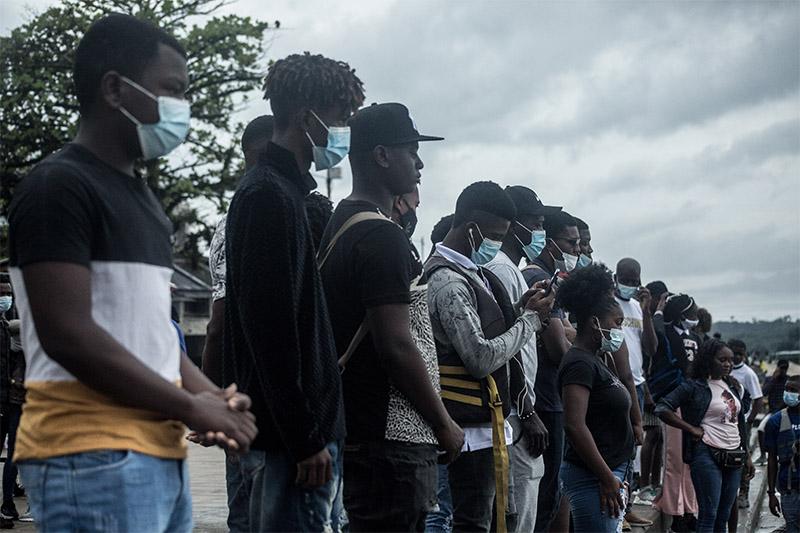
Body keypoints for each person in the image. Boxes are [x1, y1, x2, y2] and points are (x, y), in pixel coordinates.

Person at [7, 14, 257, 532]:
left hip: (156, 453)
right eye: (172, 90)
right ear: (116, 89)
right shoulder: (58, 187)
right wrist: (192, 406)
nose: (182, 109)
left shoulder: (144, 201)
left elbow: (153, 332)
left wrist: (209, 395)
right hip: (89, 456)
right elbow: (67, 335)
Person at [224, 52, 364, 532]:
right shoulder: (266, 198)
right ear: (309, 119)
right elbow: (272, 330)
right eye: (341, 119)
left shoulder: (289, 195)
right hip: (296, 445)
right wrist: (304, 437)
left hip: (309, 436)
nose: (344, 131)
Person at [318, 102, 463, 531]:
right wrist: (444, 424)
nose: (419, 163)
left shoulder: (343, 222)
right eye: (411, 150)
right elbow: (396, 344)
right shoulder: (382, 236)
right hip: (391, 439)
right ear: (381, 156)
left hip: (363, 430)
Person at [425, 181, 554, 533]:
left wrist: (520, 308)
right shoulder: (448, 281)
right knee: (470, 523)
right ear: (471, 229)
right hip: (464, 430)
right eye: (495, 236)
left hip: (484, 428)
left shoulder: (471, 272)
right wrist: (530, 321)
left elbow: (486, 328)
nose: (496, 245)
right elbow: (479, 355)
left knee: (481, 520)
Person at [486, 185, 560, 532]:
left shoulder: (511, 270)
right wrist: (526, 410)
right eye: (537, 221)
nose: (541, 230)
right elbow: (506, 348)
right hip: (514, 412)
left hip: (516, 408)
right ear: (515, 223)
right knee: (518, 507)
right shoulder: (501, 268)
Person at [554, 263, 636, 532]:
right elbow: (575, 426)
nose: (619, 331)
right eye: (617, 323)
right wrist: (606, 478)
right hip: (594, 476)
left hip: (609, 472)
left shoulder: (596, 359)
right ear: (594, 322)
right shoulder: (579, 364)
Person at [202, 115, 274, 388]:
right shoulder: (238, 221)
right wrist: (209, 403)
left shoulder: (294, 208)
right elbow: (218, 325)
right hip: (249, 390)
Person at [519, 210, 578, 532]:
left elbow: (568, 333)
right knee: (542, 498)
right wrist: (575, 341)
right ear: (550, 242)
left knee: (554, 490)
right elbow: (560, 346)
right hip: (543, 399)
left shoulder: (554, 279)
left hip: (553, 396)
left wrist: (570, 335)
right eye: (572, 243)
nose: (577, 251)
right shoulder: (536, 277)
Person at [656, 339, 753, 533]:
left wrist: (747, 455)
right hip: (706, 453)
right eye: (722, 359)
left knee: (723, 515)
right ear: (709, 360)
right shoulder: (693, 386)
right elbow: (663, 408)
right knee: (709, 514)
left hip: (734, 455)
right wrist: (691, 429)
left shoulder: (731, 386)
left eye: (730, 360)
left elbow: (739, 422)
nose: (727, 364)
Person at [650, 294, 701, 532]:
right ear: (682, 315)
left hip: (689, 401)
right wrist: (659, 310)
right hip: (675, 401)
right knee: (675, 459)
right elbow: (657, 325)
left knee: (686, 459)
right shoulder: (670, 334)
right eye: (692, 313)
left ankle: (688, 508)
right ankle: (677, 510)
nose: (696, 317)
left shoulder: (691, 336)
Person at [613, 258, 657, 528]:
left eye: (634, 281)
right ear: (616, 276)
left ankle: (626, 507)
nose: (630, 285)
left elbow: (651, 349)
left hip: (637, 384)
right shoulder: (608, 303)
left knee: (631, 448)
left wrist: (648, 312)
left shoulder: (638, 309)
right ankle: (617, 507)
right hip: (613, 381)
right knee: (618, 445)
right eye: (625, 279)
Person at [728, 338, 763, 511]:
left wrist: (749, 421)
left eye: (740, 354)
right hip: (727, 422)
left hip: (742, 422)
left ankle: (744, 491)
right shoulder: (723, 370)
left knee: (743, 456)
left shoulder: (748, 374)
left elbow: (758, 399)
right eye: (733, 353)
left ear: (745, 355)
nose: (735, 357)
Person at [0, 278, 24, 526]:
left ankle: (8, 502)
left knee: (15, 455)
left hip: (12, 397)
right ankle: (6, 505)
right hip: (12, 398)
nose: (5, 298)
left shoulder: (11, 326)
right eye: (2, 293)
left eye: (8, 293)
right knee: (13, 454)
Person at [764, 375, 800, 532]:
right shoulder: (775, 421)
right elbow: (771, 459)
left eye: (793, 390)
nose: (788, 393)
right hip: (789, 487)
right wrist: (771, 494)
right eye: (787, 389)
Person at [759, 360, 792, 465]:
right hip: (772, 412)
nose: (783, 371)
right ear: (777, 368)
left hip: (786, 412)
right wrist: (773, 378)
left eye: (785, 368)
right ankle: (763, 455)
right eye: (781, 368)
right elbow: (764, 392)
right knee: (760, 429)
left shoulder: (789, 380)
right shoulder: (771, 379)